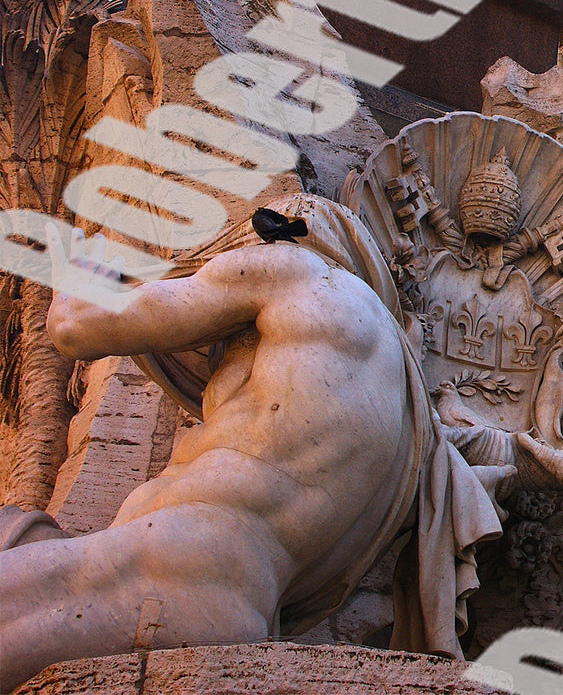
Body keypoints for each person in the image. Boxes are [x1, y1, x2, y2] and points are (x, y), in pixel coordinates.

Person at [0, 195, 507, 692]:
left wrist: (74, 274)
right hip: (235, 603)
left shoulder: (290, 267)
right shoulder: (405, 415)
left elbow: (75, 329)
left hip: (161, 561)